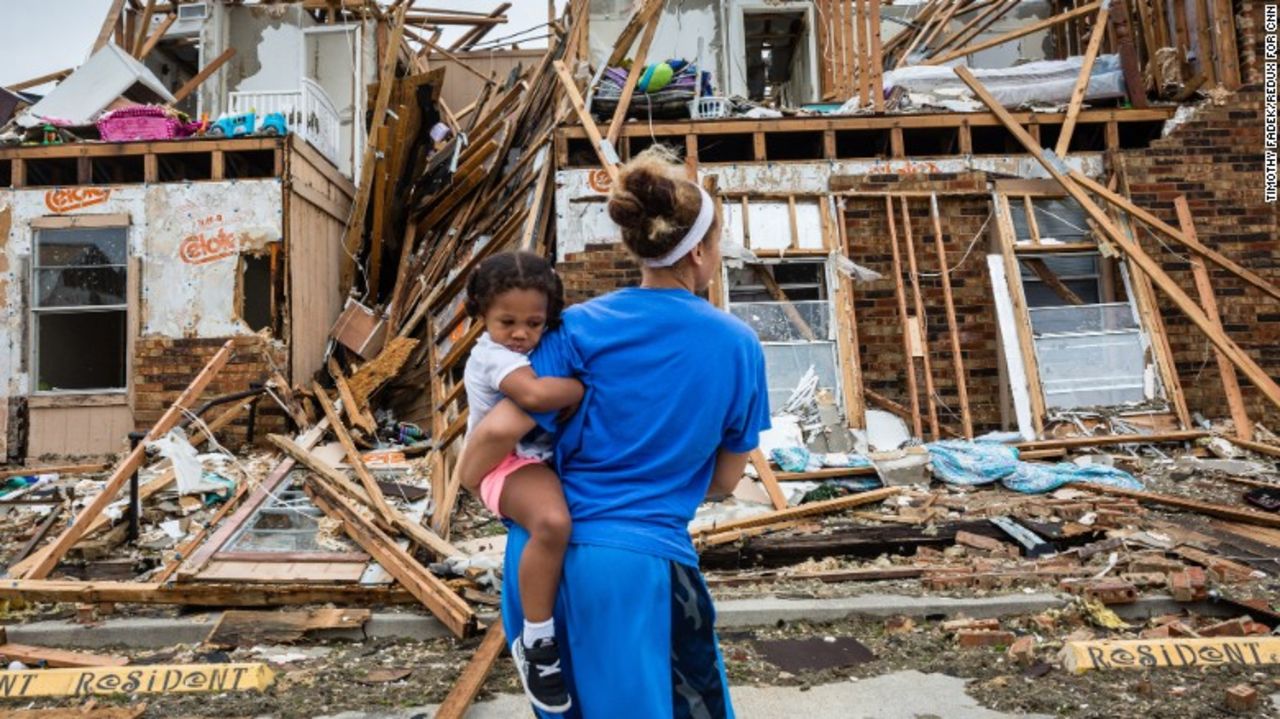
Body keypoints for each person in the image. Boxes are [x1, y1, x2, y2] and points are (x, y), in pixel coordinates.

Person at [456, 146, 770, 719]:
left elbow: (499, 427)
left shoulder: (574, 328)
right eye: (718, 244)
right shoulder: (737, 345)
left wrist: (473, 480)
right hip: (643, 565)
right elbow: (726, 481)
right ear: (698, 251)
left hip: (543, 563)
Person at [459, 251, 582, 713]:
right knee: (553, 523)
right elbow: (532, 395)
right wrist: (578, 389)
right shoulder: (493, 356)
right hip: (504, 465)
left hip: (536, 460)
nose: (520, 334)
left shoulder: (541, 344)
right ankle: (537, 643)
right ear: (482, 315)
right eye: (506, 321)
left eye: (533, 323)